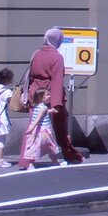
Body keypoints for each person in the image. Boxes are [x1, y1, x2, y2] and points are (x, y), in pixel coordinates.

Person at [26, 27, 83, 164]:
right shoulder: (57, 57)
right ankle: (69, 155)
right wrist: (56, 103)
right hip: (50, 94)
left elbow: (31, 76)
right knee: (59, 128)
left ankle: (27, 159)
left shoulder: (37, 54)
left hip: (35, 93)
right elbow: (57, 81)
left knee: (34, 126)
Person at [17, 88, 64, 169]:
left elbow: (43, 113)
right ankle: (55, 162)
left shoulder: (38, 107)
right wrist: (31, 128)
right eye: (47, 95)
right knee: (50, 146)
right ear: (41, 97)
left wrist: (51, 110)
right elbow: (37, 119)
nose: (50, 96)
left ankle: (31, 164)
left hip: (37, 131)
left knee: (35, 147)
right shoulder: (43, 108)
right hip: (43, 131)